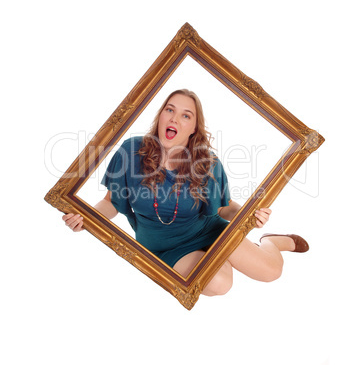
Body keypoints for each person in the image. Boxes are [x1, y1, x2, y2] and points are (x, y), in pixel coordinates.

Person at [63, 89, 309, 297]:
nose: (174, 119)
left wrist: (250, 216)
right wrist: (87, 219)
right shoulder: (131, 151)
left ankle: (270, 241)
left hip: (209, 231)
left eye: (185, 115)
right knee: (220, 284)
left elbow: (224, 208)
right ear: (160, 116)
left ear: (193, 128)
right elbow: (112, 203)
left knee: (272, 273)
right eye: (169, 110)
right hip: (163, 248)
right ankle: (225, 255)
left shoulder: (208, 163)